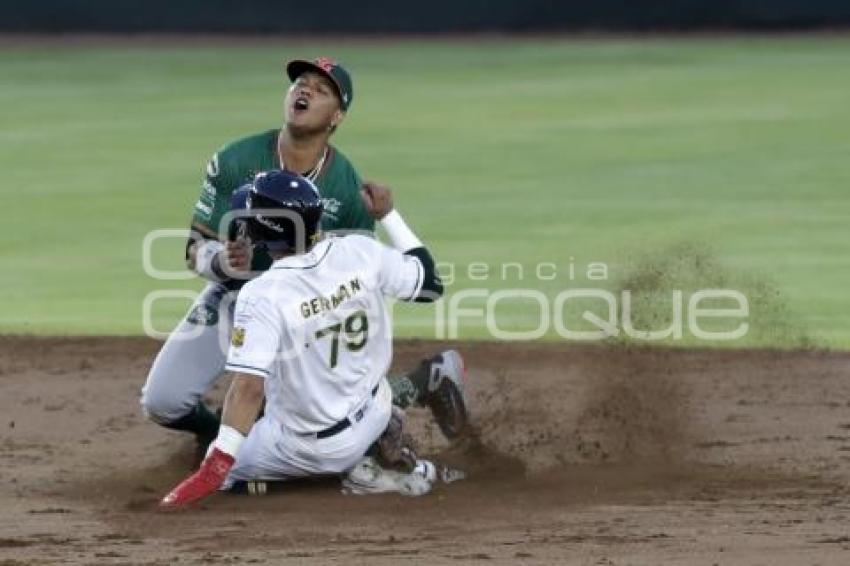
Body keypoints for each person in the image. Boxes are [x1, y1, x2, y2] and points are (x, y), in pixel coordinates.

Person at [140, 57, 468, 448]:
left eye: (322, 89)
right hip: (238, 296)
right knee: (163, 402)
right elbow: (194, 248)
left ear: (338, 116)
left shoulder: (345, 185)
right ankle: (217, 440)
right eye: (300, 83)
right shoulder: (236, 159)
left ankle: (416, 385)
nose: (305, 90)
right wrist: (220, 261)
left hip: (308, 314)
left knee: (329, 416)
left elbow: (356, 276)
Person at [161, 170, 446, 507]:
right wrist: (387, 215)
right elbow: (430, 284)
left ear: (260, 234)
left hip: (313, 447)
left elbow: (248, 389)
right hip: (375, 408)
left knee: (226, 469)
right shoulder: (360, 251)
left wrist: (215, 467)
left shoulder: (262, 294)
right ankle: (385, 447)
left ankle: (357, 474)